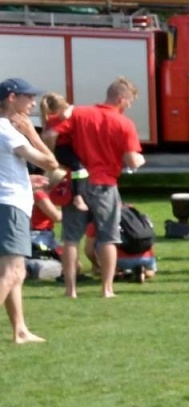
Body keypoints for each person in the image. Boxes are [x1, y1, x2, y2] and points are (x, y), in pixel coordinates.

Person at [57, 76, 145, 299]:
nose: (129, 107)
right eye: (129, 102)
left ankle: (70, 290)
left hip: (77, 181)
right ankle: (107, 288)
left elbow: (55, 134)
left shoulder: (80, 114)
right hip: (105, 184)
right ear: (121, 98)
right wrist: (140, 160)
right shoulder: (124, 123)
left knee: (71, 237)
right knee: (108, 237)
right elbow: (132, 160)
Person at [1, 77, 59, 344]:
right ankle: (20, 330)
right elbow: (50, 162)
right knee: (12, 272)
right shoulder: (8, 130)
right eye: (29, 97)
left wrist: (27, 180)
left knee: (16, 271)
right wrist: (32, 133)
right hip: (10, 206)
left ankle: (20, 330)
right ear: (12, 98)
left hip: (9, 201)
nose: (33, 103)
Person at [38, 92, 88, 211]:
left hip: (63, 149)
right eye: (64, 105)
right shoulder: (57, 119)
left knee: (76, 170)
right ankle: (78, 196)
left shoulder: (50, 118)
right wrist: (70, 107)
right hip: (62, 150)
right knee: (79, 168)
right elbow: (66, 115)